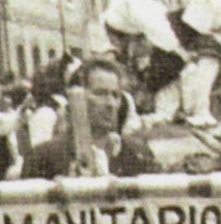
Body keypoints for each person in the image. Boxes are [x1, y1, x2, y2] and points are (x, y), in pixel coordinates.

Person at [21, 59, 159, 178]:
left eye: (115, 95)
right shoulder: (44, 158)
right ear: (76, 98)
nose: (110, 104)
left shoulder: (139, 154)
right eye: (100, 94)